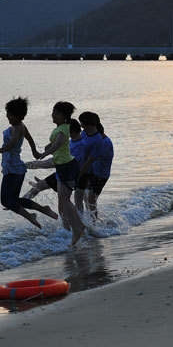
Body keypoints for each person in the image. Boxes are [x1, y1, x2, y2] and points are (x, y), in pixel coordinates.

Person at [0, 97, 58, 228]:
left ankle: (32, 214)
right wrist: (35, 152)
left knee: (6, 201)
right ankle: (42, 209)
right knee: (11, 200)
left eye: (9, 114)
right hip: (13, 168)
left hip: (13, 168)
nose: (7, 116)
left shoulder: (18, 128)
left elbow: (12, 144)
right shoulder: (20, 126)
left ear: (16, 115)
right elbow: (30, 139)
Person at [37, 101, 86, 245]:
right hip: (63, 166)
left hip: (66, 166)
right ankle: (72, 228)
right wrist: (47, 147)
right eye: (53, 111)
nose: (52, 115)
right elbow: (57, 144)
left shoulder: (64, 128)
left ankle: (78, 228)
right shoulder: (61, 128)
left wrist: (44, 153)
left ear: (64, 116)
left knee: (64, 200)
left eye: (56, 113)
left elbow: (58, 144)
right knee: (63, 201)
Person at [25, 119, 85, 211]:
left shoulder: (79, 146)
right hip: (64, 174)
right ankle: (20, 202)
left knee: (64, 204)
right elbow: (55, 154)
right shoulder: (71, 142)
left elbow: (56, 162)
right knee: (38, 187)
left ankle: (78, 222)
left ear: (69, 131)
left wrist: (30, 165)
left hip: (69, 177)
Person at [76, 111, 114, 218]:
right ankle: (89, 220)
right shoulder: (85, 133)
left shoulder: (104, 141)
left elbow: (90, 160)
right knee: (86, 198)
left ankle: (93, 223)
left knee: (91, 199)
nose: (80, 125)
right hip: (90, 171)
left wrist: (78, 174)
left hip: (101, 174)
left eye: (81, 123)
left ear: (87, 124)